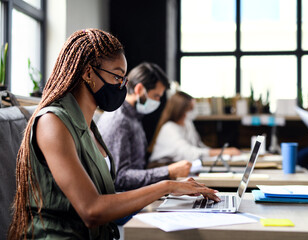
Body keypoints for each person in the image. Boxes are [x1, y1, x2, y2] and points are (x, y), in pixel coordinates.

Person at [7, 29, 219, 239]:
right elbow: (91, 210)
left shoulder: (89, 125)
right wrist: (167, 185)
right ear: (88, 72)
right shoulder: (53, 122)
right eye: (118, 76)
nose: (122, 86)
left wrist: (165, 200)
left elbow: (106, 197)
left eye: (124, 79)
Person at [97, 62, 192, 192]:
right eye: (156, 96)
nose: (158, 102)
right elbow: (119, 178)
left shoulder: (134, 117)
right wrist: (168, 171)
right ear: (139, 89)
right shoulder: (119, 120)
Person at [148, 91, 241, 163]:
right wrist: (222, 152)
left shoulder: (187, 124)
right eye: (191, 108)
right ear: (181, 110)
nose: (194, 111)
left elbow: (198, 146)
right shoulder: (169, 128)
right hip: (163, 168)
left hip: (181, 166)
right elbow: (189, 153)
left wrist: (219, 153)